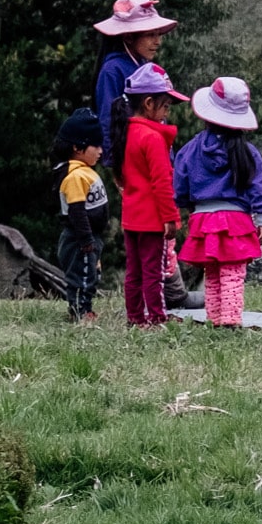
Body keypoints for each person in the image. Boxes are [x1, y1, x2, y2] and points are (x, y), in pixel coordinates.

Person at [173, 77, 262, 328]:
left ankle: (215, 319)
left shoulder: (190, 150)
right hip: (236, 221)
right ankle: (230, 320)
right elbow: (258, 187)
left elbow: (180, 186)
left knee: (213, 272)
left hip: (202, 220)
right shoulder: (248, 152)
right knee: (232, 274)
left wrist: (186, 206)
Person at [110, 61, 185, 327]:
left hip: (131, 218)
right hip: (152, 219)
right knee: (153, 272)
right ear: (149, 103)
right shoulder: (153, 138)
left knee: (135, 272)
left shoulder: (126, 133)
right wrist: (171, 218)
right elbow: (162, 182)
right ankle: (156, 317)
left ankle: (135, 318)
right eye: (165, 106)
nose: (167, 112)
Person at [91, 0, 179, 169]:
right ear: (129, 37)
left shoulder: (145, 66)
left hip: (154, 156)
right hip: (133, 163)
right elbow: (108, 119)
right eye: (150, 35)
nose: (157, 41)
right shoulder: (112, 70)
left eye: (158, 34)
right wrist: (115, 167)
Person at [50, 108, 109, 324]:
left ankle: (86, 308)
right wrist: (86, 241)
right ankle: (80, 312)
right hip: (79, 238)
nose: (101, 151)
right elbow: (76, 211)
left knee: (90, 275)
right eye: (96, 146)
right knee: (81, 276)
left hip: (90, 236)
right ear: (77, 147)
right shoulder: (74, 176)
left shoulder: (85, 171)